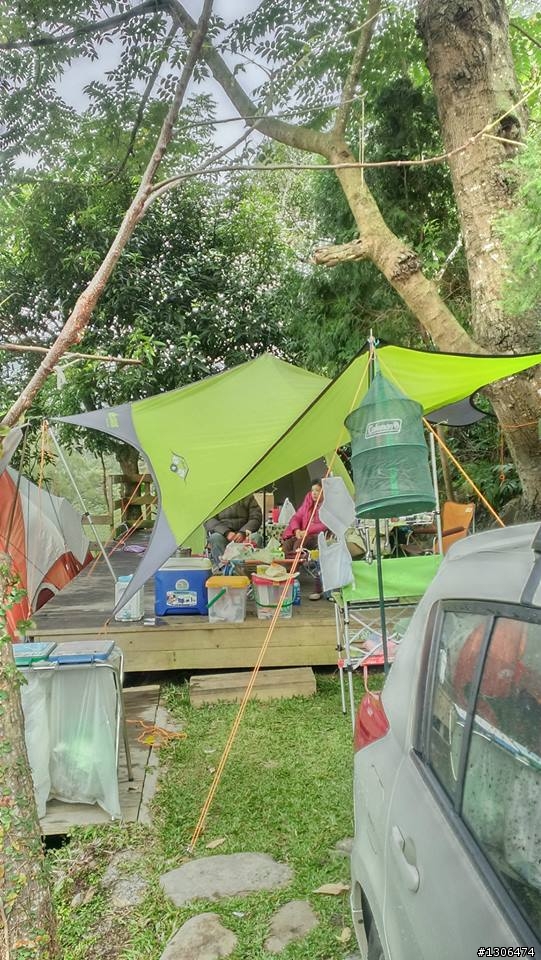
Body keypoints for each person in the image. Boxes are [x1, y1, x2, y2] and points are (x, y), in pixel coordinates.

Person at [281, 480, 329, 600]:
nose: (314, 493)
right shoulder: (308, 502)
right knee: (286, 545)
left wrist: (307, 531)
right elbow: (296, 517)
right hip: (302, 534)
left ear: (324, 492)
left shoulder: (328, 505)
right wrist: (296, 530)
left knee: (298, 545)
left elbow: (325, 524)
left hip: (318, 536)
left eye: (317, 490)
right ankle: (286, 577)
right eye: (312, 490)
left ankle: (292, 576)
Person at [205, 494, 262, 569]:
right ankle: (224, 569)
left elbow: (256, 517)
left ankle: (248, 568)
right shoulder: (215, 497)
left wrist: (243, 532)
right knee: (215, 537)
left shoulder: (247, 496)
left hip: (245, 535)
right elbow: (209, 520)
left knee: (256, 537)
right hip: (223, 535)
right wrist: (226, 532)